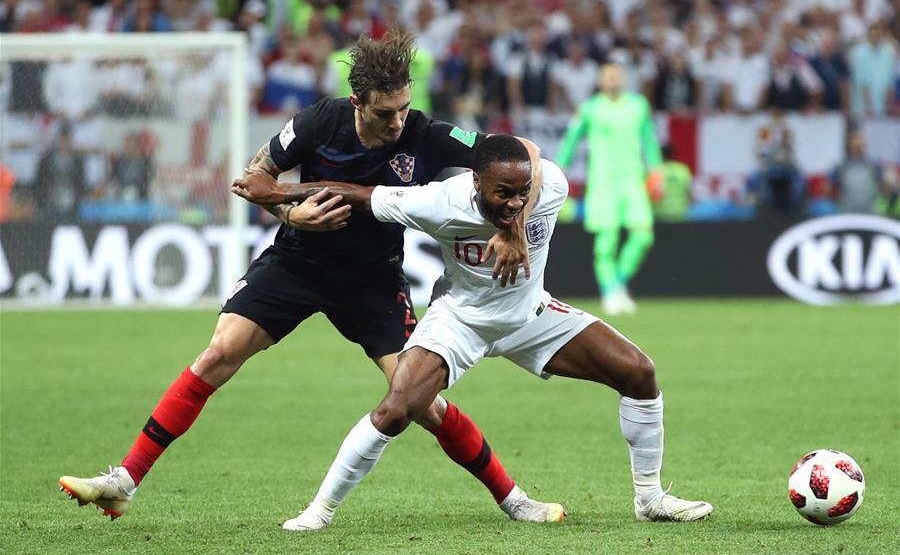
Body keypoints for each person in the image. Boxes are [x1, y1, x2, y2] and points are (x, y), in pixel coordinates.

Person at [59, 30, 562, 525]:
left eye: (404, 108)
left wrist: (515, 228)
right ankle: (125, 481)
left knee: (421, 402)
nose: (397, 122)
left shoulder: (424, 133)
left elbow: (526, 154)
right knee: (217, 354)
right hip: (298, 263)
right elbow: (254, 176)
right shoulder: (320, 122)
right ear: (356, 102)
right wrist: (289, 216)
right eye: (385, 112)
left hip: (373, 280)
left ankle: (513, 499)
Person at [231, 135, 712, 530]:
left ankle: (649, 498)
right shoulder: (439, 202)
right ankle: (319, 512)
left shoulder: (548, 189)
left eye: (522, 191)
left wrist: (515, 226)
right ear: (474, 181)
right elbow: (357, 193)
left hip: (530, 316)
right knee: (398, 408)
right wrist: (277, 193)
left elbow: (535, 160)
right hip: (460, 319)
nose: (516, 200)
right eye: (503, 192)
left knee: (639, 373)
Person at [556, 63, 663, 316]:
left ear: (625, 78)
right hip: (603, 182)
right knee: (607, 241)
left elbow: (649, 140)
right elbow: (571, 140)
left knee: (643, 236)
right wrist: (559, 170)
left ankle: (618, 285)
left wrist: (657, 171)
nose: (613, 79)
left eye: (617, 74)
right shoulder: (590, 108)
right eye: (607, 75)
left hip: (633, 181)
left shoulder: (638, 106)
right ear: (600, 80)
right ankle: (610, 293)